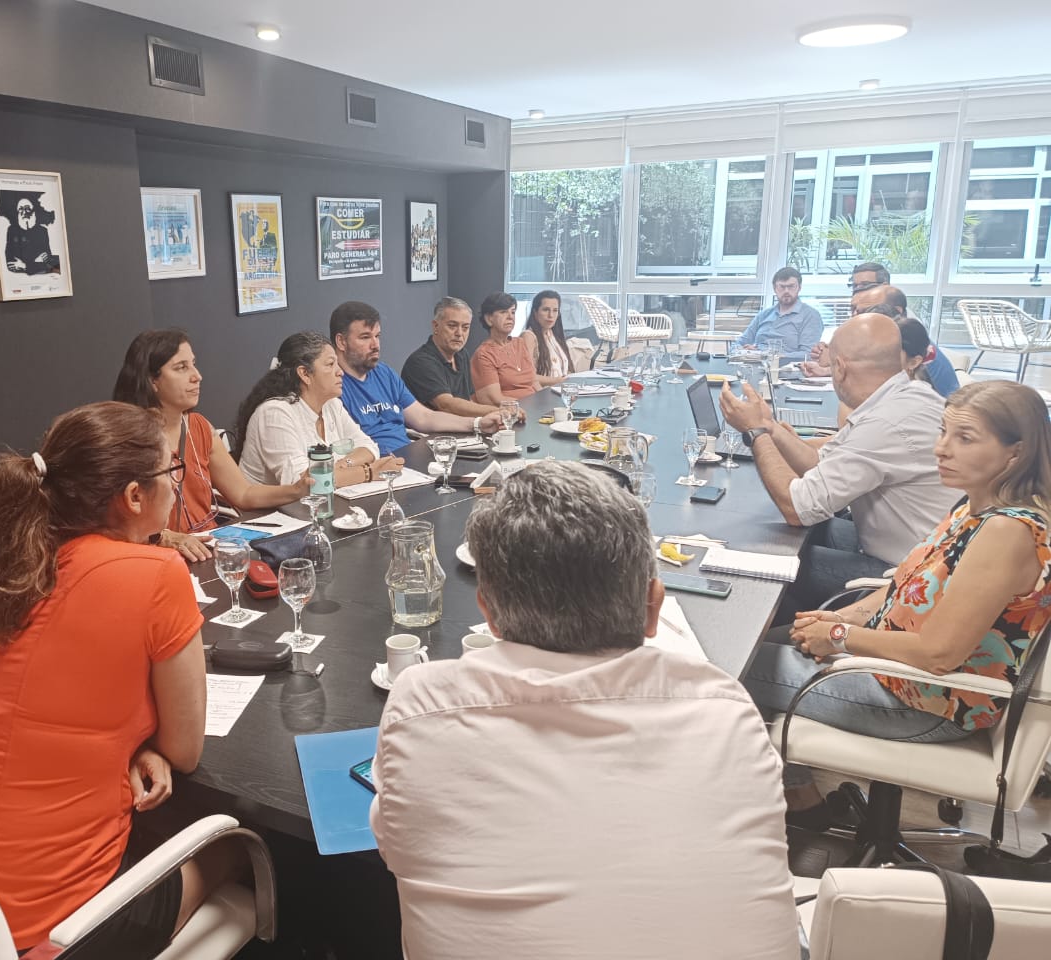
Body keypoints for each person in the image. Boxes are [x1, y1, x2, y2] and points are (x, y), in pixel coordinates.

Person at [371, 461, 798, 960]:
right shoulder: (728, 714)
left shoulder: (420, 707)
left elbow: (393, 843)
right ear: (654, 606)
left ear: (488, 612)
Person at [0, 402, 239, 957]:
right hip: (48, 930)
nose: (174, 483)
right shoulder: (158, 573)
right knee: (235, 846)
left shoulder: (7, 563)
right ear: (134, 497)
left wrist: (134, 744)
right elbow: (184, 752)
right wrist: (151, 745)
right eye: (171, 471)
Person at [744, 380, 1051, 825]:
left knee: (734, 667)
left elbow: (938, 654)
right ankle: (793, 792)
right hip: (899, 674)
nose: (942, 448)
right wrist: (841, 617)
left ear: (1015, 453)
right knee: (765, 639)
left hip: (924, 702)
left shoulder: (1007, 532)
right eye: (943, 432)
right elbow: (904, 584)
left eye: (965, 438)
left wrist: (839, 636)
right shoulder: (976, 504)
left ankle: (796, 801)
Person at [720, 313, 958, 610]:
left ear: (841, 368)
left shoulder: (886, 423)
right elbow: (818, 461)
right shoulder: (906, 396)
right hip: (911, 550)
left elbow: (796, 509)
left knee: (764, 561)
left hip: (903, 578)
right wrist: (770, 428)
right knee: (792, 535)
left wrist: (756, 432)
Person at [113, 329, 311, 561]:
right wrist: (163, 537)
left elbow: (244, 493)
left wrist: (297, 489)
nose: (197, 376)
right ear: (152, 380)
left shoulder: (200, 426)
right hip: (159, 558)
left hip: (207, 550)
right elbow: (115, 524)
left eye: (193, 364)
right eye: (181, 367)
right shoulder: (126, 440)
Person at [331, 301, 503, 456]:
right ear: (341, 342)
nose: (375, 345)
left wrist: (477, 424)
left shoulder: (384, 373)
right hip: (376, 466)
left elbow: (424, 417)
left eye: (377, 336)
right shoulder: (332, 385)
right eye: (365, 337)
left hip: (409, 457)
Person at [234, 331, 404, 486]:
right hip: (272, 509)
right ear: (305, 374)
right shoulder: (275, 414)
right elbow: (302, 482)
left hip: (321, 501)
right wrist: (368, 472)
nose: (340, 372)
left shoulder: (331, 404)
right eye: (330, 364)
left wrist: (343, 465)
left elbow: (369, 447)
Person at [808, 278, 960, 397]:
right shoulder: (905, 336)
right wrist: (830, 368)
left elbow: (875, 381)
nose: (857, 318)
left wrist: (834, 358)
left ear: (894, 312)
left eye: (868, 312)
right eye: (854, 310)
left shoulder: (907, 344)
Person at [400, 297, 517, 418]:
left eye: (465, 327)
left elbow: (468, 400)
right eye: (452, 326)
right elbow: (446, 405)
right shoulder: (420, 361)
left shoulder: (462, 354)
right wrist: (499, 412)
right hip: (431, 428)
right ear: (435, 326)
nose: (459, 333)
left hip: (461, 425)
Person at [736, 267, 822, 362]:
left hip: (786, 368)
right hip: (753, 365)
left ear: (799, 288)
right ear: (775, 288)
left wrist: (767, 356)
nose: (786, 291)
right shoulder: (764, 315)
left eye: (791, 286)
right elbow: (738, 344)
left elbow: (808, 355)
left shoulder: (811, 316)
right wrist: (744, 352)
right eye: (782, 287)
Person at [471, 291, 540, 402]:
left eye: (513, 312)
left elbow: (534, 383)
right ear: (489, 319)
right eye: (503, 312)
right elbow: (493, 399)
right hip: (511, 410)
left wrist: (546, 403)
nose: (510, 317)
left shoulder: (520, 343)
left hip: (534, 406)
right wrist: (525, 407)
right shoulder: (484, 354)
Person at [518, 289, 572, 385]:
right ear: (535, 312)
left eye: (555, 310)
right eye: (546, 310)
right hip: (541, 392)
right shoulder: (528, 336)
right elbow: (526, 375)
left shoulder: (553, 335)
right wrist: (557, 381)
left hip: (560, 389)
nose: (551, 315)